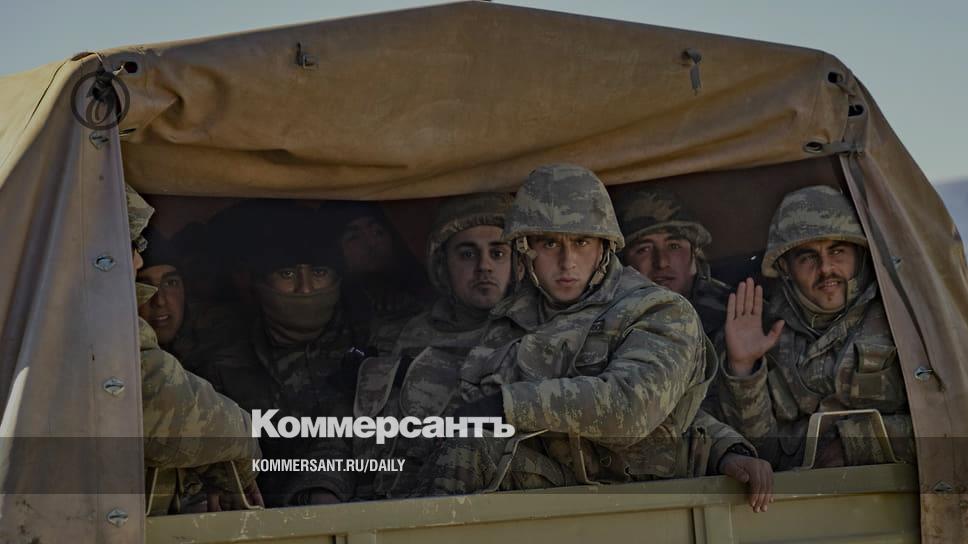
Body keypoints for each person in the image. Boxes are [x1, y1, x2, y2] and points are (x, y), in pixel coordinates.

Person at [419, 165, 771, 511]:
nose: (567, 261)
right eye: (550, 243)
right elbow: (474, 409)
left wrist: (508, 405)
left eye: (581, 242)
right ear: (525, 248)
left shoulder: (658, 310)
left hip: (638, 500)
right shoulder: (511, 321)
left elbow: (633, 409)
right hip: (550, 487)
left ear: (604, 246)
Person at [718, 185, 914, 470]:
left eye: (837, 251)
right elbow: (761, 456)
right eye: (808, 257)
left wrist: (855, 444)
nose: (825, 268)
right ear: (785, 268)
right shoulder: (762, 334)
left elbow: (948, 418)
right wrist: (744, 369)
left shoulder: (905, 319)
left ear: (860, 255)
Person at [197, 203, 366, 506]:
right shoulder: (224, 365)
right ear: (259, 282)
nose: (305, 289)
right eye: (287, 273)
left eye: (319, 272)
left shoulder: (374, 344)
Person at [354, 192, 515, 499]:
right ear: (442, 264)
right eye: (467, 254)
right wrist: (325, 486)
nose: (484, 266)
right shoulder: (396, 336)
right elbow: (341, 427)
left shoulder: (534, 339)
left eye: (497, 253)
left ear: (517, 263)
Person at [126, 185, 263, 515]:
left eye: (171, 282)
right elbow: (158, 404)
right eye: (145, 285)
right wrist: (241, 444)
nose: (160, 300)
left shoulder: (221, 346)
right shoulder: (95, 322)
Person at [616, 188, 731, 338]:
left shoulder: (735, 310)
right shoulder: (609, 318)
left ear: (695, 253)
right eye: (644, 249)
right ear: (623, 261)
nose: (662, 262)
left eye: (674, 246)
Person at [331, 202, 431, 353]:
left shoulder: (426, 298)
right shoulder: (334, 314)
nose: (371, 244)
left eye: (378, 232)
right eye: (354, 237)